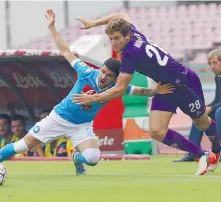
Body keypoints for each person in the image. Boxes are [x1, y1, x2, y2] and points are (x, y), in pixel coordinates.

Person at [0, 9, 174, 179]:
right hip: (58, 118)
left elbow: (139, 90)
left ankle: (78, 159)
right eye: (103, 72)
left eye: (108, 75)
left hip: (82, 127)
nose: (103, 77)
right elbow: (65, 51)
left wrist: (156, 90)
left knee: (93, 157)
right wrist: (52, 28)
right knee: (21, 146)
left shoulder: (117, 87)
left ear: (114, 78)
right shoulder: (86, 72)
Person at [71, 12, 220, 176]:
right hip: (166, 87)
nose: (113, 43)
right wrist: (95, 22)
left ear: (127, 36)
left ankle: (217, 150)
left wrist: (92, 98)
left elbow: (120, 89)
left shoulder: (130, 55)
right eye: (111, 38)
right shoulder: (132, 31)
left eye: (117, 38)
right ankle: (202, 155)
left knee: (202, 122)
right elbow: (121, 15)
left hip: (185, 83)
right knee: (156, 131)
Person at [173, 49, 221, 165]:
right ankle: (193, 152)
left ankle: (217, 150)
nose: (212, 66)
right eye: (210, 63)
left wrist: (211, 108)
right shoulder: (218, 77)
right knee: (199, 113)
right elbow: (218, 99)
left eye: (215, 63)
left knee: (218, 111)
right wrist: (206, 107)